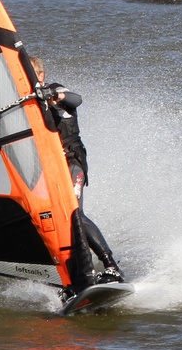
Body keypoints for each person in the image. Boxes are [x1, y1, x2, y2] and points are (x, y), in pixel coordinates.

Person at [29, 56, 125, 292]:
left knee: (74, 213)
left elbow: (76, 99)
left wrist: (52, 97)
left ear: (40, 75)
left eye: (32, 76)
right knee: (46, 219)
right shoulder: (26, 103)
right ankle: (69, 278)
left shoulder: (55, 91)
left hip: (72, 162)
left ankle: (111, 266)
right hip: (48, 169)